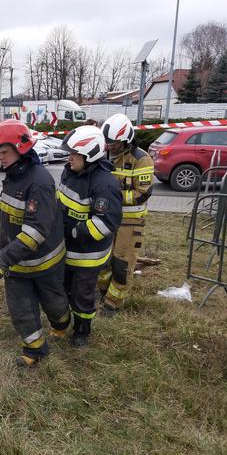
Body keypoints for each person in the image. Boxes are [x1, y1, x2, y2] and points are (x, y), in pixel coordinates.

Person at [0, 120, 69, 367]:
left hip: (44, 262)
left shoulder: (39, 181)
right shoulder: (13, 175)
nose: (1, 158)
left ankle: (62, 322)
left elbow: (36, 231)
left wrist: (2, 260)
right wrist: (5, 256)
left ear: (22, 147)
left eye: (5, 152)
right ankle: (35, 349)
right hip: (16, 263)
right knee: (20, 308)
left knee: (54, 304)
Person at [57, 125, 122, 347]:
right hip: (66, 248)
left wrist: (74, 230)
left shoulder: (105, 185)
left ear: (90, 155)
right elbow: (62, 201)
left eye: (74, 154)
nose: (69, 157)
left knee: (82, 296)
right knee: (63, 288)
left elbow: (105, 224)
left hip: (88, 255)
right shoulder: (70, 171)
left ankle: (82, 330)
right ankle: (64, 321)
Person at [96, 114, 154, 316]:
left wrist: (112, 196)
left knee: (122, 265)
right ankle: (103, 292)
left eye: (114, 143)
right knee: (102, 261)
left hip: (130, 222)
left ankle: (113, 303)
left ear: (126, 140)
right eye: (108, 142)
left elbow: (142, 194)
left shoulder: (141, 159)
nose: (110, 146)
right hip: (105, 219)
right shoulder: (102, 156)